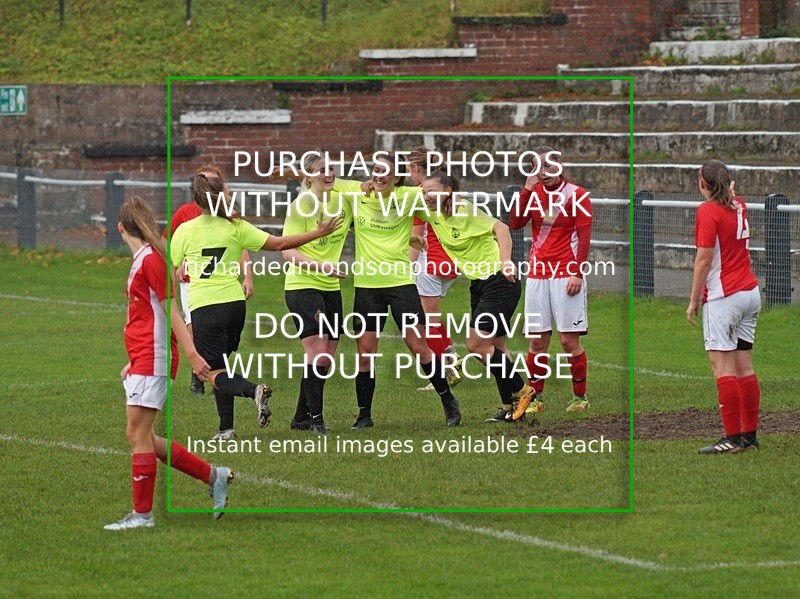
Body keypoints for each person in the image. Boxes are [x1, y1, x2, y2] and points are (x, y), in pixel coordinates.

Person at [170, 164, 342, 440]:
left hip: (205, 307)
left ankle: (254, 391)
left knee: (210, 371)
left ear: (197, 199)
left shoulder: (185, 230)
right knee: (222, 366)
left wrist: (182, 266)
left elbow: (177, 261)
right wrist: (317, 233)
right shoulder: (236, 227)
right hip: (234, 306)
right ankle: (226, 428)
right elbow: (279, 243)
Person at [105, 196, 231, 530]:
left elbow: (171, 312)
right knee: (144, 436)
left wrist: (192, 354)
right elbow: (144, 315)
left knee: (137, 434)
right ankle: (213, 475)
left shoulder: (151, 260)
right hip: (144, 357)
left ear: (120, 228)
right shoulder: (144, 259)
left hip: (154, 357)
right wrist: (133, 360)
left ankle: (142, 516)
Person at [336, 154, 461, 428]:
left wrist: (445, 199)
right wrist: (285, 171)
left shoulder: (408, 196)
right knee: (365, 353)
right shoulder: (357, 193)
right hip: (367, 287)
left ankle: (449, 402)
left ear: (397, 177)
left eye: (386, 172)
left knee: (418, 346)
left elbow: (441, 192)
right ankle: (364, 415)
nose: (380, 176)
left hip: (401, 284)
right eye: (376, 170)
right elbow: (320, 178)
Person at [417, 170, 536, 423]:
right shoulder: (430, 210)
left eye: (432, 191)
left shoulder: (464, 210)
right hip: (479, 284)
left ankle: (523, 391)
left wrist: (506, 261)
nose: (426, 196)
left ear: (448, 191)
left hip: (500, 281)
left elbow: (501, 228)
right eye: (424, 192)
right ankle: (510, 406)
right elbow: (398, 198)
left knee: (476, 344)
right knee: (498, 347)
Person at [509, 146, 592, 415]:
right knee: (536, 342)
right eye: (536, 167)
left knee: (568, 342)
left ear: (559, 165)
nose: (542, 172)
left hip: (566, 275)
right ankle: (535, 398)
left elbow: (584, 237)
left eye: (547, 166)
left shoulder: (577, 195)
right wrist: (525, 190)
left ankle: (579, 397)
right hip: (537, 275)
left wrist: (577, 272)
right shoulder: (532, 193)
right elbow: (515, 223)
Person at [687, 160, 761, 454]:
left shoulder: (708, 211)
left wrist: (694, 299)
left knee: (723, 367)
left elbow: (704, 259)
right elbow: (731, 200)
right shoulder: (740, 205)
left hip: (725, 296)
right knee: (744, 366)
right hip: (750, 293)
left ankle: (732, 438)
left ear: (702, 183)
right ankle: (749, 435)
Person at [282, 153, 353, 435]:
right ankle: (317, 421)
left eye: (331, 168)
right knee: (317, 352)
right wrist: (321, 266)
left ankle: (301, 417)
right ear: (309, 176)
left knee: (327, 356)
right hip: (302, 286)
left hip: (330, 287)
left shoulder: (344, 201)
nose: (329, 174)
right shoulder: (301, 206)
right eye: (322, 170)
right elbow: (287, 251)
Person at [163, 199, 254, 395]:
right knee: (194, 330)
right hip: (193, 283)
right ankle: (201, 372)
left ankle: (218, 377)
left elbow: (241, 246)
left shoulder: (229, 214)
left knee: (222, 341)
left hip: (223, 286)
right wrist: (178, 266)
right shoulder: (184, 213)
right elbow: (168, 242)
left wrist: (247, 276)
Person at [407, 147, 461, 391]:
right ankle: (450, 356)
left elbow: (418, 236)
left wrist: (407, 267)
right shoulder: (444, 188)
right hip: (451, 261)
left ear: (415, 168)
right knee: (432, 317)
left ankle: (443, 372)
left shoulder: (422, 194)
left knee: (426, 321)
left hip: (429, 262)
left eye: (409, 168)